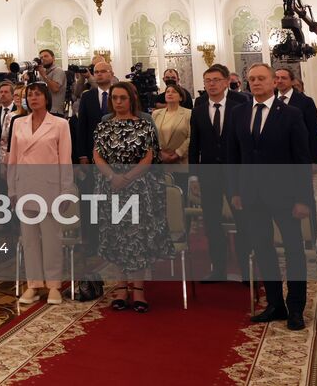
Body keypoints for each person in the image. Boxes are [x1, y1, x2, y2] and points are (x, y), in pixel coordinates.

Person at [226, 63, 313, 331]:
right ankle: (275, 304)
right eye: (251, 79)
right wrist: (236, 192)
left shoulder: (290, 114)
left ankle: (296, 307)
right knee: (263, 248)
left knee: (294, 249)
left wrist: (303, 199)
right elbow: (234, 157)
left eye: (261, 78)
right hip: (251, 194)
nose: (256, 83)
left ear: (273, 82)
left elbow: (301, 159)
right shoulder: (239, 113)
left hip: (285, 194)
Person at [93, 81, 172, 313]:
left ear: (131, 100)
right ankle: (120, 287)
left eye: (123, 98)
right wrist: (111, 177)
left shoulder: (145, 125)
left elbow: (148, 158)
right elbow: (97, 155)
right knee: (115, 235)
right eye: (115, 98)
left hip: (137, 187)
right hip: (110, 188)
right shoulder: (103, 126)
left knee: (136, 237)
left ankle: (138, 289)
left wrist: (126, 178)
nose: (118, 102)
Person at [5, 82, 74, 305]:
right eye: (30, 95)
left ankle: (54, 285)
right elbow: (12, 159)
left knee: (52, 239)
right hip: (24, 186)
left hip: (50, 187)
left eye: (38, 95)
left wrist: (66, 191)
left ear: (46, 98)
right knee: (29, 240)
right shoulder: (18, 123)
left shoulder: (60, 124)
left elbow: (65, 159)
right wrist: (11, 190)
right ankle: (33, 284)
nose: (34, 98)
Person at [189, 63, 250, 281]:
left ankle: (245, 269)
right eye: (208, 81)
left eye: (216, 80)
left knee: (243, 222)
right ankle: (219, 269)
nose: (211, 84)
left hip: (235, 175)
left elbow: (245, 142)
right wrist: (194, 175)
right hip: (208, 175)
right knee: (212, 224)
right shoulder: (198, 110)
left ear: (226, 83)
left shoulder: (240, 105)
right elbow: (194, 145)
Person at [274, 67, 317, 165]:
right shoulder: (270, 100)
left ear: (292, 81)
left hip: (299, 156)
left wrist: (315, 160)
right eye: (277, 78)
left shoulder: (305, 101)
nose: (279, 81)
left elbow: (313, 132)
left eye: (283, 78)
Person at [151, 83, 191, 171]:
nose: (170, 93)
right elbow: (151, 136)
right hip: (160, 162)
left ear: (180, 97)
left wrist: (178, 154)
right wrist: (160, 153)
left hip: (180, 163)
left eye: (174, 92)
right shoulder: (156, 114)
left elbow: (190, 137)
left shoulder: (189, 114)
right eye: (167, 92)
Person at [35, 49, 67, 113]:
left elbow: (55, 88)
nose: (43, 59)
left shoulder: (58, 70)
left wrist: (44, 75)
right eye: (41, 57)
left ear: (53, 58)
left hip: (55, 111)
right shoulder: (43, 72)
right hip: (44, 110)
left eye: (46, 56)